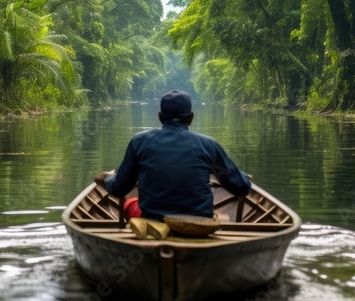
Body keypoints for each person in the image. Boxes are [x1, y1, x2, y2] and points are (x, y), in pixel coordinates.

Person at [94, 90, 251, 222]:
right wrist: (237, 175)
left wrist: (107, 179)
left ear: (160, 117)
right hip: (199, 222)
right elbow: (241, 187)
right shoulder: (208, 146)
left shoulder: (139, 142)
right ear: (190, 118)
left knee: (131, 202)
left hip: (154, 220)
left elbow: (119, 189)